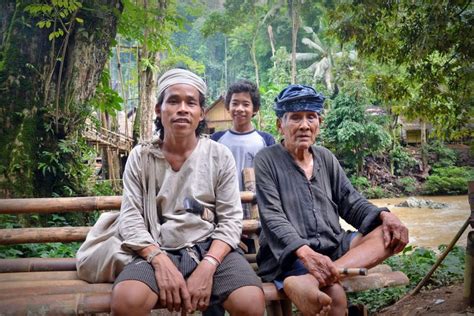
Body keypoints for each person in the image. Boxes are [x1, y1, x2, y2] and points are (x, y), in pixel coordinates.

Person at [96, 69, 265, 315]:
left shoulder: (218, 155)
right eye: (173, 101)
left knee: (250, 302)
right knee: (127, 301)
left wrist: (208, 266)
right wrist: (159, 260)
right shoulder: (141, 157)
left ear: (201, 113)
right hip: (156, 246)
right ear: (158, 109)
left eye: (191, 102)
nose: (182, 109)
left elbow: (230, 220)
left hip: (210, 247)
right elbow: (130, 217)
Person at [254, 84, 409, 316]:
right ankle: (314, 277)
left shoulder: (326, 157)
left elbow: (351, 202)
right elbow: (273, 217)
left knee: (386, 235)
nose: (304, 125)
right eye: (295, 118)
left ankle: (313, 278)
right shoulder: (267, 159)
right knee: (334, 298)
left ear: (319, 123)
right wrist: (305, 253)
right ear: (280, 124)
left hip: (332, 246)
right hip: (289, 253)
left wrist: (386, 215)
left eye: (311, 117)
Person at [211, 80, 275, 219]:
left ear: (255, 109)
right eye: (235, 103)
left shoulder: (266, 140)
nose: (240, 108)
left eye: (246, 104)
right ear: (228, 107)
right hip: (223, 212)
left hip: (257, 212)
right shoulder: (216, 140)